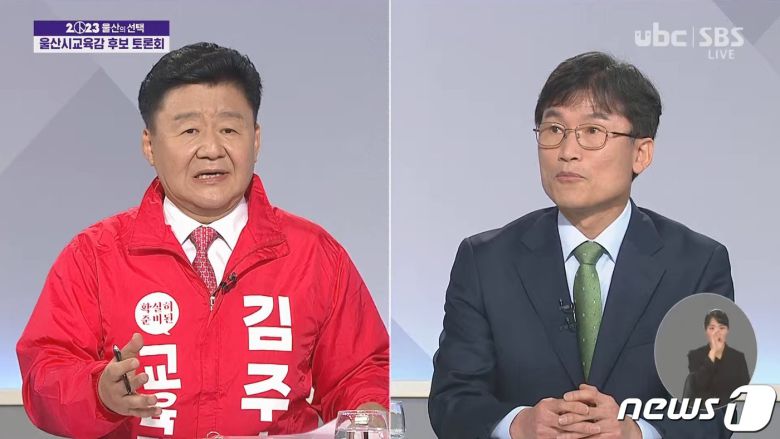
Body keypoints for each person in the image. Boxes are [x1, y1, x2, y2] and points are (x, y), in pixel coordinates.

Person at [16, 42, 389, 438]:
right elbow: (44, 376)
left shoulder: (313, 254)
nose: (212, 150)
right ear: (150, 145)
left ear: (255, 140)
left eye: (229, 129)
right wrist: (98, 393)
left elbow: (362, 371)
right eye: (189, 130)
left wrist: (369, 413)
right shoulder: (94, 256)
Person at [428, 52, 734, 439]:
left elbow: (715, 410)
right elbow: (453, 398)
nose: (567, 151)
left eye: (592, 132)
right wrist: (519, 424)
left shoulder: (697, 264)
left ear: (641, 153)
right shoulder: (486, 261)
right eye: (554, 129)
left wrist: (635, 431)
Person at [684, 309, 750, 405]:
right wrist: (713, 353)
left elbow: (745, 390)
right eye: (712, 328)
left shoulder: (738, 357)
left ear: (727, 330)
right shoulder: (695, 355)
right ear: (706, 331)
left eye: (722, 328)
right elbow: (698, 386)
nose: (717, 332)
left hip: (730, 409)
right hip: (703, 410)